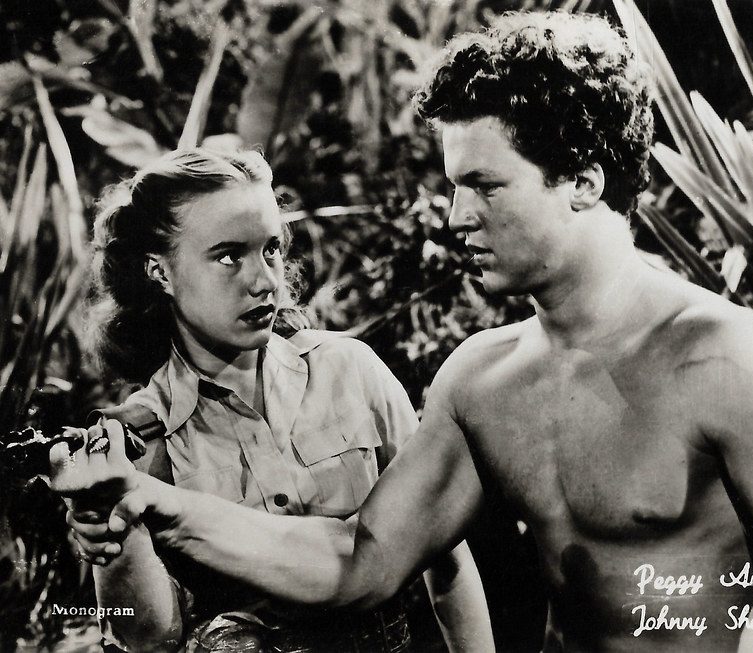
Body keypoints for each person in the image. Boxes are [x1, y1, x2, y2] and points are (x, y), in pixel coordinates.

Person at [54, 12, 753, 652]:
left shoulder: (732, 363)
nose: (456, 215)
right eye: (454, 185)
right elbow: (361, 562)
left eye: (484, 186)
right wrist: (154, 502)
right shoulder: (482, 381)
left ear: (582, 181)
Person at [52, 147, 493, 653]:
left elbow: (446, 556)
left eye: (271, 250)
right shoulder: (141, 437)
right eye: (227, 256)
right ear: (160, 272)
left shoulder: (351, 370)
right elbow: (148, 637)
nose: (264, 281)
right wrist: (111, 528)